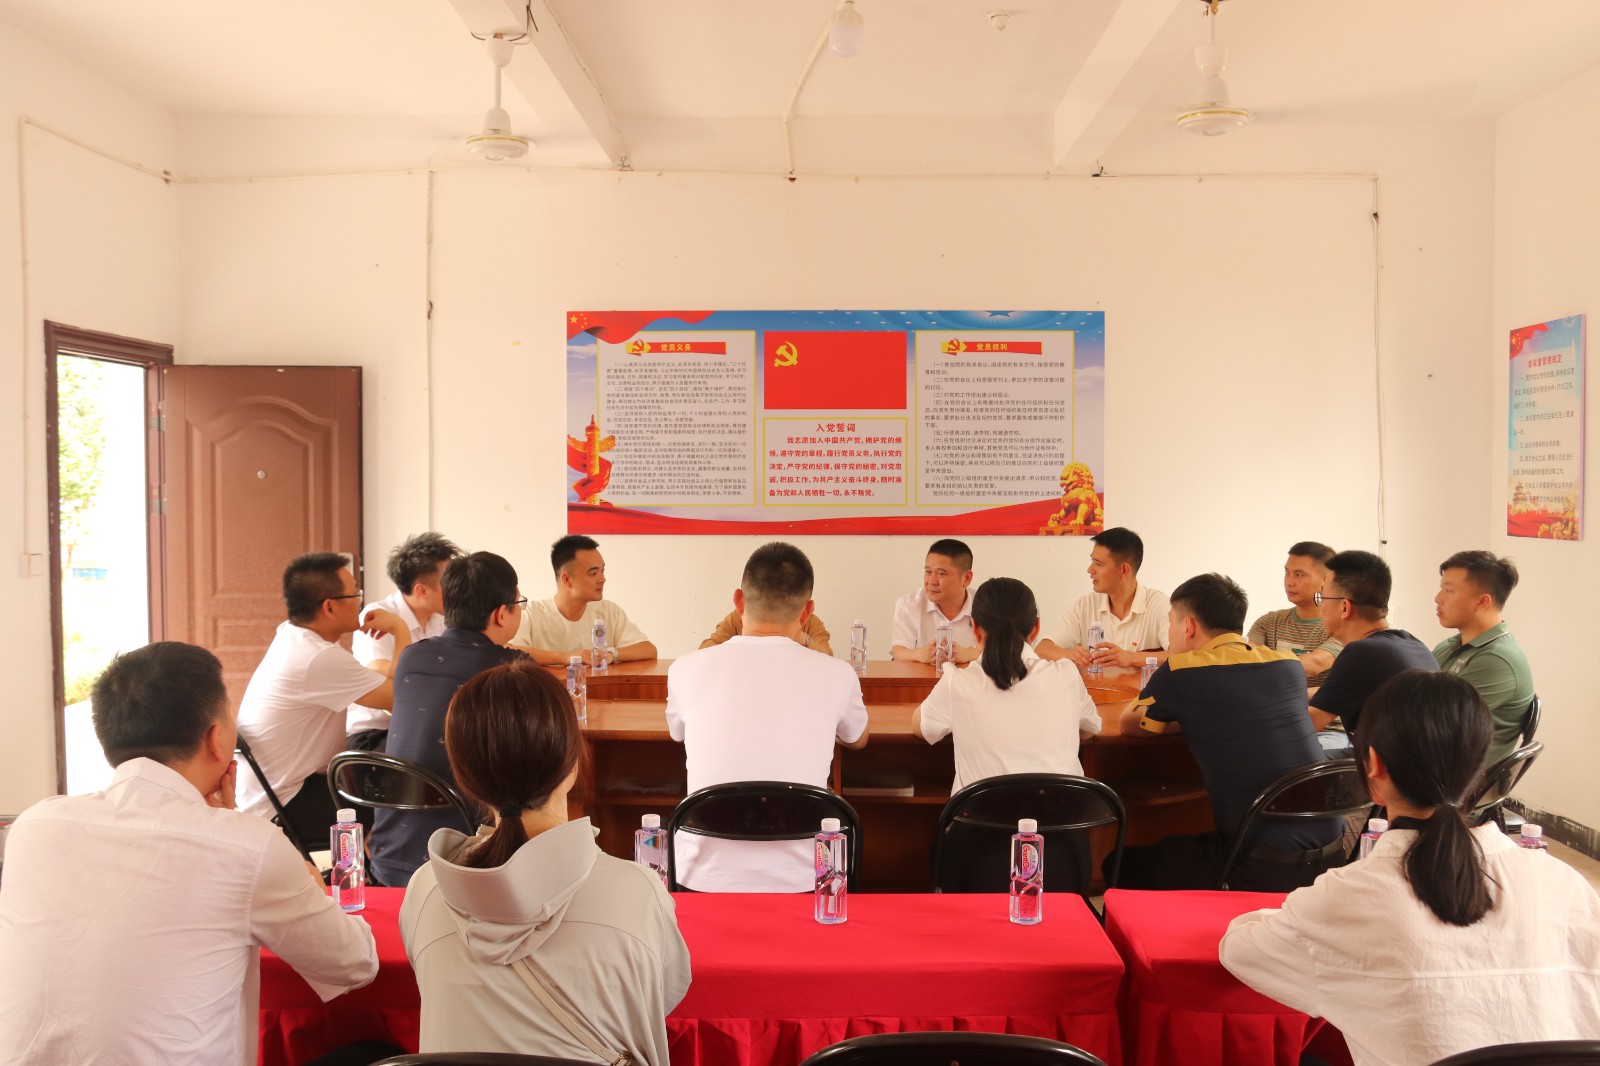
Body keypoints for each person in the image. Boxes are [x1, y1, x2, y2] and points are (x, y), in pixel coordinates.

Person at [0, 643, 378, 1066]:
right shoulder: (250, 846)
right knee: (374, 1053)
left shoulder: (33, 827)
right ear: (218, 738)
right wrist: (307, 882)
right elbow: (354, 964)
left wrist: (228, 826)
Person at [1221, 671, 1600, 1066]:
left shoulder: (1351, 896)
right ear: (1480, 766)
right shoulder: (1564, 883)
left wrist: (1295, 913)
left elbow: (1241, 950)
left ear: (1374, 764)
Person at [400, 663, 690, 1064]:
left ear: (466, 781)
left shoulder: (425, 891)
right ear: (572, 766)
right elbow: (662, 996)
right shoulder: (639, 894)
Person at [1115, 573, 1341, 891]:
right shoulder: (1287, 664)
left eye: (1170, 622)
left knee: (1119, 864)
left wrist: (1192, 717)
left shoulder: (1183, 669)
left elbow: (1130, 723)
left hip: (1257, 864)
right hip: (1332, 855)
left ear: (1188, 626)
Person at [665, 542, 869, 891]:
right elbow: (858, 739)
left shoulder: (684, 669)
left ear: (738, 601)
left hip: (700, 878)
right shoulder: (838, 673)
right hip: (809, 880)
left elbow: (676, 733)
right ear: (807, 611)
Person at [370, 551, 528, 888]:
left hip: (389, 856)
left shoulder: (412, 657)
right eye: (519, 603)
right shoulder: (513, 671)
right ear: (502, 614)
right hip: (465, 860)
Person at [237, 551, 410, 844]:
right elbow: (399, 697)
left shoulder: (294, 637)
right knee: (404, 797)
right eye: (355, 593)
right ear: (330, 607)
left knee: (388, 780)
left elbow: (392, 691)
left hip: (277, 790)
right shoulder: (317, 657)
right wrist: (399, 628)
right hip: (286, 803)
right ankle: (378, 867)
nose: (360, 601)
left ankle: (371, 860)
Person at [913, 576, 1101, 793]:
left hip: (980, 815)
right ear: (1036, 628)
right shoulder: (1067, 676)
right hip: (1060, 814)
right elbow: (1090, 728)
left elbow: (921, 727)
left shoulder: (957, 682)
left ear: (975, 629)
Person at [346, 531, 461, 751]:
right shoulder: (376, 616)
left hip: (420, 729)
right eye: (450, 581)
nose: (457, 588)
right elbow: (393, 682)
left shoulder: (442, 620)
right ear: (422, 590)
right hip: (374, 735)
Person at [1307, 550, 1436, 734]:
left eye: (1322, 597)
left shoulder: (1361, 653)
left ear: (1344, 607)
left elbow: (1307, 725)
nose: (1321, 608)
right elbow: (1336, 692)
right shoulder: (1410, 643)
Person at [1433, 549, 1535, 766]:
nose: (1438, 598)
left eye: (1449, 591)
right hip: (1434, 765)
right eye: (1441, 588)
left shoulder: (1497, 660)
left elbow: (1434, 725)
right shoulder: (1452, 645)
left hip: (1454, 777)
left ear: (1482, 602)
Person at [512, 534, 657, 666]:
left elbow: (648, 650)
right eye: (593, 573)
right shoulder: (531, 613)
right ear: (567, 579)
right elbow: (509, 652)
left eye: (602, 571)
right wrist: (563, 658)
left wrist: (610, 654)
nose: (602, 579)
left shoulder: (610, 611)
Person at [1036, 526, 1170, 669]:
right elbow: (1042, 649)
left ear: (1123, 570)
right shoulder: (1085, 605)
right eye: (1092, 561)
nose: (1090, 570)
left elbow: (1182, 656)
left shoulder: (1158, 604)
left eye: (1098, 564)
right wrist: (1070, 655)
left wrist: (1131, 658)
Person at [1246, 541, 1342, 686]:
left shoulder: (1341, 628)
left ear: (1326, 580)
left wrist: (1263, 664)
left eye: (1299, 575)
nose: (1289, 582)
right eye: (1287, 573)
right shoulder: (1268, 622)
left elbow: (1314, 664)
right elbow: (1247, 659)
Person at [891, 538, 979, 663]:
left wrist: (971, 654)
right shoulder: (909, 605)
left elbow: (1001, 654)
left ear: (966, 578)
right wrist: (919, 654)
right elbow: (898, 652)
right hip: (922, 676)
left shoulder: (986, 605)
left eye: (941, 573)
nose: (931, 581)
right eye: (928, 572)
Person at [700, 606, 833, 655]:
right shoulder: (739, 617)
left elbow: (827, 658)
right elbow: (705, 651)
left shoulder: (809, 621)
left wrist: (802, 638)